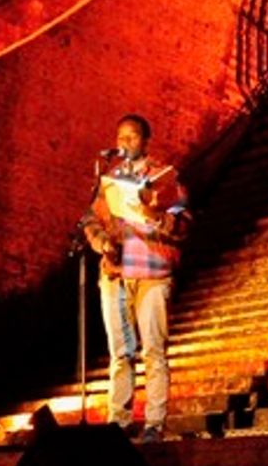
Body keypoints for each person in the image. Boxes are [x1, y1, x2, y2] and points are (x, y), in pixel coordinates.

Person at [80, 114, 191, 443]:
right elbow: (90, 219)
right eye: (121, 137)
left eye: (132, 137)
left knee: (153, 351)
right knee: (120, 353)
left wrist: (153, 215)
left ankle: (155, 422)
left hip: (152, 273)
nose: (125, 143)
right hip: (115, 274)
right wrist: (100, 241)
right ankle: (119, 422)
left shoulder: (164, 177)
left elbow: (183, 223)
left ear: (145, 141)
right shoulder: (109, 179)